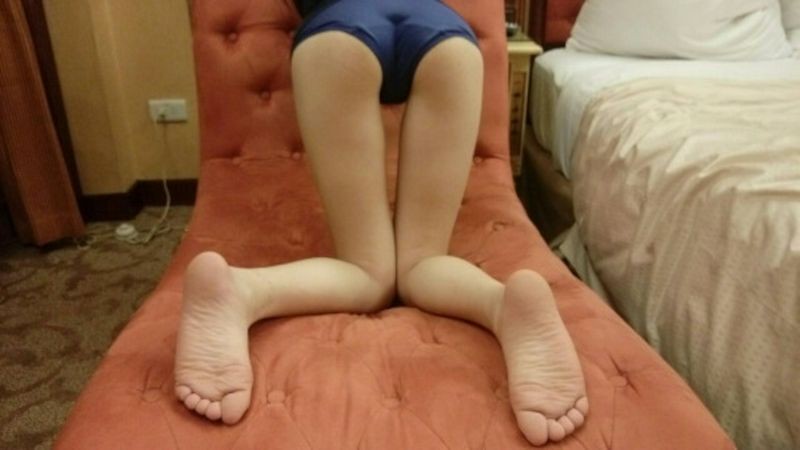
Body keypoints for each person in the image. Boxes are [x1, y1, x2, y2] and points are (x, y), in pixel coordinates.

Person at [173, 0, 588, 445]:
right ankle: (504, 304)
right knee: (422, 262)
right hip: (444, 34)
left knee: (369, 274)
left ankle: (240, 291)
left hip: (338, 30)